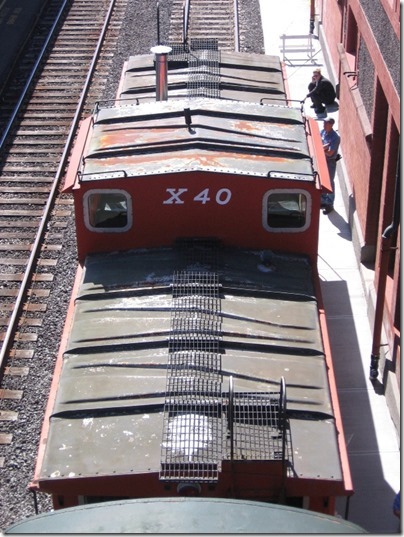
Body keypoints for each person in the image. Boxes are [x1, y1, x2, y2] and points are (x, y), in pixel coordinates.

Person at [320, 117, 340, 214]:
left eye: (325, 123)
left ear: (331, 125)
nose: (323, 125)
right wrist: (324, 147)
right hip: (322, 160)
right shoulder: (323, 131)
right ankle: (323, 200)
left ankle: (330, 204)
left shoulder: (335, 137)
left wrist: (322, 149)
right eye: (323, 123)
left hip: (330, 162)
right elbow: (319, 143)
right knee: (322, 179)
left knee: (330, 181)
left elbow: (330, 153)